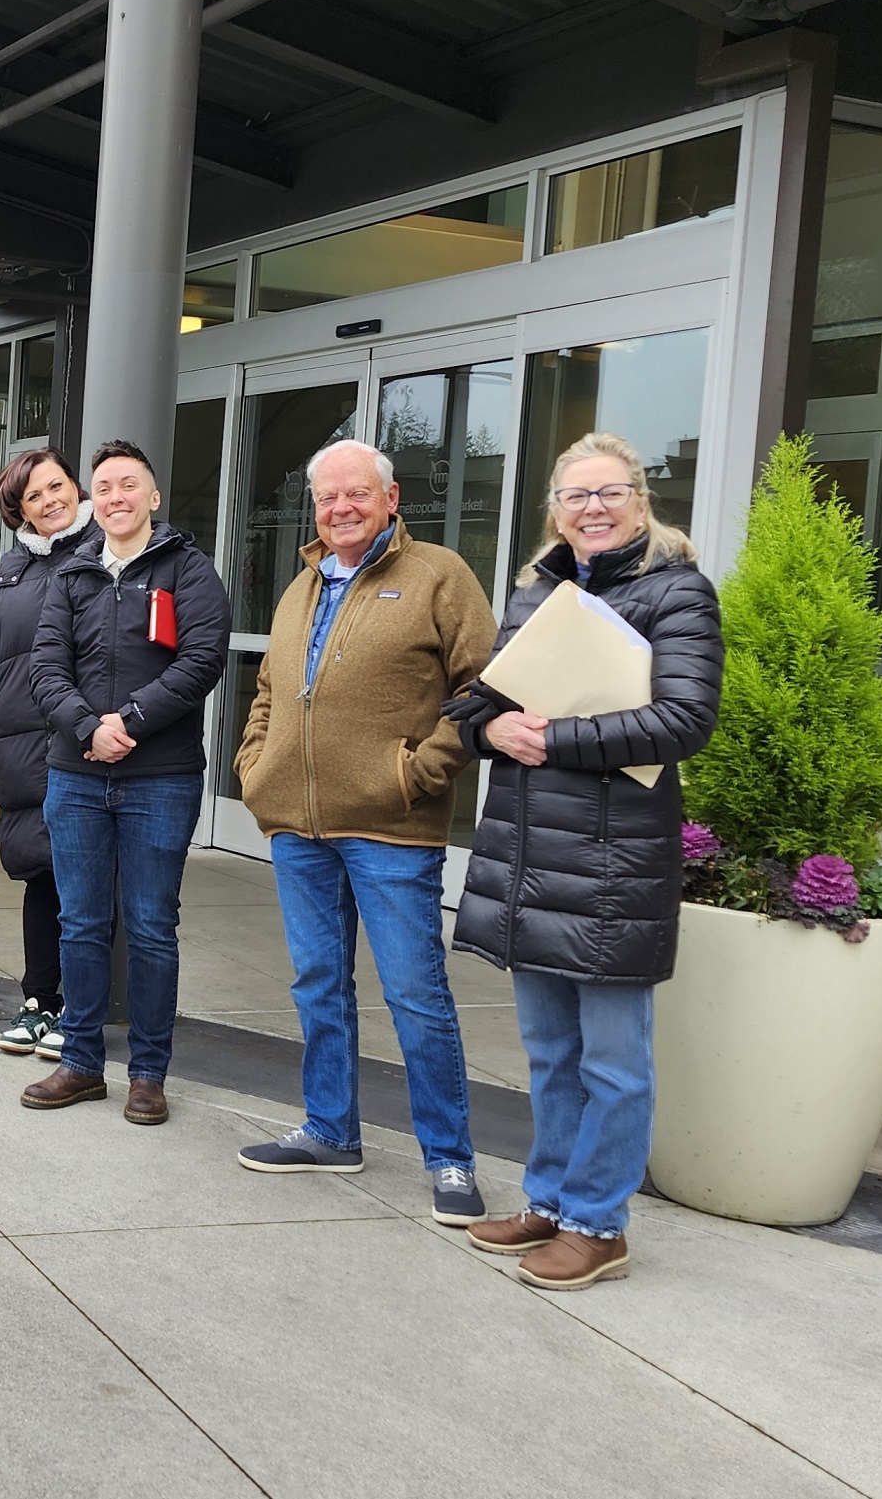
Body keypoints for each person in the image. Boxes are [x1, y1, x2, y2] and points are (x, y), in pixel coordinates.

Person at [447, 432, 722, 1289]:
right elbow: (478, 699)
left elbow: (684, 722)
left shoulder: (679, 593)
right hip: (530, 859)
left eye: (609, 493)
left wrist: (551, 739)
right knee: (549, 1052)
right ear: (554, 511)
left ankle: (599, 1223)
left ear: (641, 501)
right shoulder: (539, 590)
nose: (592, 509)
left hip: (611, 866)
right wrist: (487, 727)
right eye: (575, 496)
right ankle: (549, 1198)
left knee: (612, 1059)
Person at [231, 441, 497, 1226]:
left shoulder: (438, 576)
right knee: (318, 984)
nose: (340, 508)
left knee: (416, 994)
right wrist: (257, 767)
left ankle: (449, 1159)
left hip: (391, 826)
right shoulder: (301, 585)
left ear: (391, 497)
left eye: (356, 494)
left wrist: (418, 773)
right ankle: (328, 1129)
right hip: (298, 826)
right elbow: (270, 690)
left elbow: (485, 688)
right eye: (326, 497)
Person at [18, 441, 229, 1127]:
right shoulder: (72, 576)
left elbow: (202, 659)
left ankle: (148, 1073)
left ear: (153, 496)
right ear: (92, 501)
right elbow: (46, 667)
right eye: (103, 486)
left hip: (158, 780)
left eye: (128, 484)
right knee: (79, 922)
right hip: (76, 776)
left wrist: (130, 720)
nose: (115, 497)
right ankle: (80, 1062)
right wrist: (88, 727)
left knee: (150, 926)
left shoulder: (189, 571)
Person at [0, 446, 97, 1059]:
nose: (51, 501)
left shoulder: (104, 551)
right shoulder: (12, 569)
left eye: (57, 486)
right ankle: (38, 1000)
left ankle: (80, 1007)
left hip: (83, 737)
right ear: (18, 511)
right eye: (34, 496)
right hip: (21, 737)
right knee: (39, 871)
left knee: (87, 874)